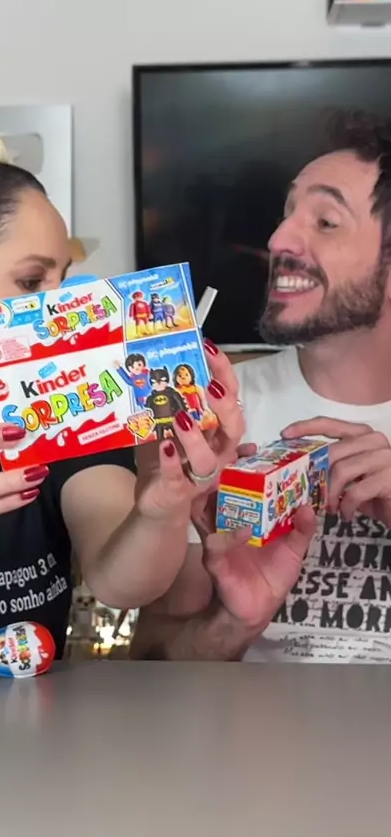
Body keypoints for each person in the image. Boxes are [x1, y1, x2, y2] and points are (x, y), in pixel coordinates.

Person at [0, 133, 245, 658]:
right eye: (30, 282)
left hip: (25, 707)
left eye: (63, 280)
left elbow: (121, 583)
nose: (61, 308)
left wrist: (161, 505)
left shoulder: (64, 408)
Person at [132, 109, 391, 664]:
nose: (277, 239)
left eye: (326, 221)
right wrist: (234, 624)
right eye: (286, 214)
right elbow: (150, 662)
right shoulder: (214, 416)